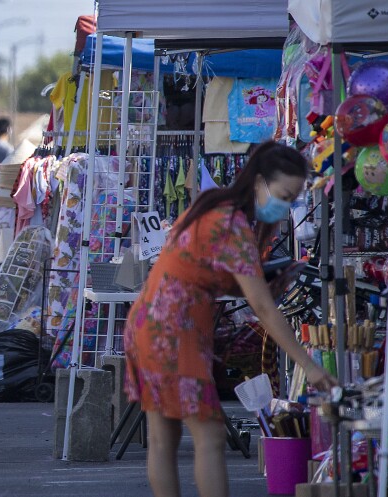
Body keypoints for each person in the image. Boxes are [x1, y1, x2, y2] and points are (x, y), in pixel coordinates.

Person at [123, 141, 338, 497]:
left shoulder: (218, 209)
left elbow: (210, 276)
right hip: (175, 333)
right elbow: (264, 309)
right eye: (284, 195)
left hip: (151, 324)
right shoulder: (232, 224)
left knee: (164, 438)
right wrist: (309, 366)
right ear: (258, 182)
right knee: (209, 436)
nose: (285, 206)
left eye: (292, 198)